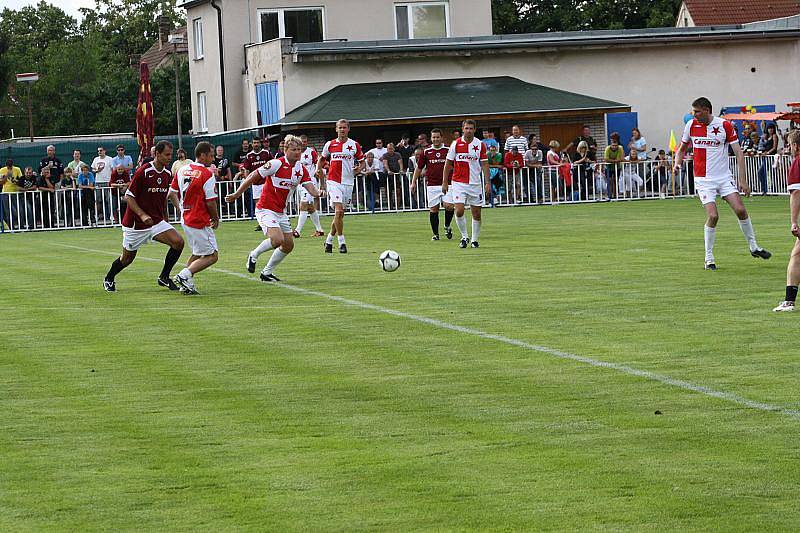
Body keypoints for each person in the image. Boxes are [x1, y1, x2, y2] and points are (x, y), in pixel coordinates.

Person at [673, 97, 771, 270]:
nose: (693, 115)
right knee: (713, 216)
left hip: (724, 177)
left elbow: (739, 153)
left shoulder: (724, 125)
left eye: (697, 111)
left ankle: (754, 247)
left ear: (707, 110)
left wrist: (743, 180)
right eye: (693, 111)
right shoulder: (691, 126)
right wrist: (677, 164)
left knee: (741, 210)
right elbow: (680, 150)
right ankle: (708, 258)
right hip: (703, 179)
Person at [226, 134, 322, 281]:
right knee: (277, 239)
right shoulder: (276, 164)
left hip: (281, 212)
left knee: (288, 245)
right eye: (294, 149)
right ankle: (253, 254)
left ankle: (267, 272)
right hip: (265, 208)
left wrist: (320, 191)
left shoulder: (301, 169)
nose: (297, 152)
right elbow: (253, 175)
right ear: (285, 150)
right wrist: (237, 194)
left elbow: (312, 190)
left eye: (299, 149)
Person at [103, 140, 184, 292]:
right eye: (166, 154)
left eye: (170, 155)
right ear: (157, 154)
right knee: (127, 259)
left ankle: (164, 277)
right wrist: (142, 215)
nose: (169, 158)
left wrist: (165, 217)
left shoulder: (167, 174)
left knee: (178, 242)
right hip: (136, 224)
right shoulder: (144, 171)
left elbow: (163, 198)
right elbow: (128, 196)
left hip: (155, 222)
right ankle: (109, 278)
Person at [168, 141, 220, 295]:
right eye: (210, 155)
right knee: (212, 256)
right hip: (199, 219)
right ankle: (184, 275)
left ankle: (186, 282)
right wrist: (215, 219)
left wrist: (179, 208)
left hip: (186, 217)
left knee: (197, 253)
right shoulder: (207, 174)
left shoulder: (182, 169)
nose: (212, 159)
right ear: (202, 155)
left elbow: (171, 193)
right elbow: (211, 202)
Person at [317, 119, 364, 253]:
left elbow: (362, 162)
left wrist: (358, 170)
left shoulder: (354, 145)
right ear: (336, 129)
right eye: (340, 127)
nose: (342, 130)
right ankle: (342, 242)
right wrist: (318, 169)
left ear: (348, 129)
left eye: (344, 127)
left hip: (348, 183)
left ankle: (329, 240)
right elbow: (321, 159)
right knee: (338, 211)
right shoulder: (329, 144)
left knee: (340, 215)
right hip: (333, 181)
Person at [443, 119, 490, 248]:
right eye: (466, 128)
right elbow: (448, 163)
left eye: (471, 128)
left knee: (477, 213)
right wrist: (444, 182)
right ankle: (464, 237)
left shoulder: (480, 145)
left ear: (474, 130)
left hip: (475, 184)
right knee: (459, 210)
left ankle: (474, 240)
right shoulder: (455, 144)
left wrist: (487, 182)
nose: (468, 130)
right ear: (462, 129)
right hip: (458, 183)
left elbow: (485, 164)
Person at [411, 128, 454, 240]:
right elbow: (419, 168)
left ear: (442, 138)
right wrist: (413, 182)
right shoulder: (426, 152)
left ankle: (447, 225)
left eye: (437, 137)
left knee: (448, 206)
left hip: (448, 183)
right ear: (431, 138)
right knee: (434, 209)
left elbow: (455, 165)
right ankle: (436, 234)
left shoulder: (448, 150)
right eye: (433, 137)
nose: (435, 139)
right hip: (432, 184)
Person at [774, 130, 800, 311]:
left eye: (790, 145)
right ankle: (789, 301)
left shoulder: (797, 162)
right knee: (797, 255)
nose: (789, 148)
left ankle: (789, 302)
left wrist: (793, 221)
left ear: (796, 146)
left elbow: (796, 193)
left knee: (796, 256)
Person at [293, 135, 325, 237]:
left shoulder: (311, 152)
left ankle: (297, 231)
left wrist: (320, 179)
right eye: (302, 142)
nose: (304, 144)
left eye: (305, 142)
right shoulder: (295, 153)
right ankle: (319, 230)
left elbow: (319, 165)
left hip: (309, 182)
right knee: (310, 208)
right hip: (299, 184)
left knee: (303, 204)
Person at [241, 136, 272, 231]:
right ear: (252, 144)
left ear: (260, 143)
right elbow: (247, 170)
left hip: (265, 182)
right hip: (255, 184)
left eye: (257, 142)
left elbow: (272, 164)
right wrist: (247, 181)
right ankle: (261, 223)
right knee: (258, 204)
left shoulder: (266, 153)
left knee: (268, 202)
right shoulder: (249, 156)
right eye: (254, 142)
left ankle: (270, 222)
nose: (256, 144)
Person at [92, 146, 114, 221]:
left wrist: (111, 180)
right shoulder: (96, 159)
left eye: (101, 150)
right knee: (98, 200)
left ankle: (111, 216)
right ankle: (97, 216)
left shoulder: (110, 159)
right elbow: (93, 168)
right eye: (98, 151)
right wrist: (96, 171)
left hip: (107, 181)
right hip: (98, 182)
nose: (99, 152)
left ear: (104, 151)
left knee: (109, 199)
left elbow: (112, 169)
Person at [1, 159, 23, 230]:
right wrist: (6, 176)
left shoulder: (17, 169)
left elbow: (21, 181)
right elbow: (1, 183)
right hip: (5, 193)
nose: (9, 168)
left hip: (15, 193)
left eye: (10, 167)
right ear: (6, 166)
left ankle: (21, 227)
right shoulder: (2, 170)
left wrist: (15, 181)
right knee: (8, 211)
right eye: (8, 167)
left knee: (19, 210)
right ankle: (11, 228)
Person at [603, 133, 625, 199]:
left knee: (616, 181)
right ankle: (609, 195)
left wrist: (612, 160)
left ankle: (615, 195)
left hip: (617, 167)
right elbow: (606, 159)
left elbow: (620, 159)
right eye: (613, 145)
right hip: (608, 167)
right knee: (609, 181)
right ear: (611, 144)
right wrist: (614, 161)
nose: (614, 147)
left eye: (616, 145)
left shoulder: (620, 148)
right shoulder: (607, 148)